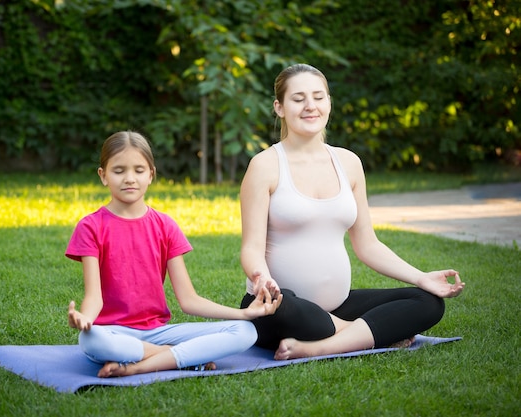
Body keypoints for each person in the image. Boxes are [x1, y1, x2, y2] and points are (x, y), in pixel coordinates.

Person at [239, 64, 465, 360]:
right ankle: (362, 333)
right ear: (279, 108)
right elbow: (251, 248)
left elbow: (367, 244)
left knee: (427, 302)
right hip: (279, 306)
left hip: (338, 304)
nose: (310, 106)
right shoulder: (264, 165)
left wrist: (421, 277)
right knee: (283, 308)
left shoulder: (348, 163)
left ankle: (320, 346)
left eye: (319, 97)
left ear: (329, 103)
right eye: (298, 99)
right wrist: (262, 279)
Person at [66, 130, 282, 378]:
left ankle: (139, 366)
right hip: (114, 333)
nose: (129, 178)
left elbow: (189, 300)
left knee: (246, 332)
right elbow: (95, 297)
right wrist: (85, 318)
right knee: (91, 340)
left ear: (151, 175)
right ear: (103, 176)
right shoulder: (91, 227)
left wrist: (244, 314)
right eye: (118, 171)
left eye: (138, 170)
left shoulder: (165, 226)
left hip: (158, 330)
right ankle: (177, 355)